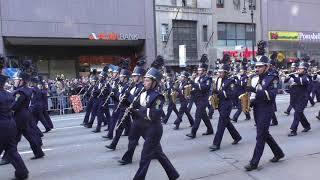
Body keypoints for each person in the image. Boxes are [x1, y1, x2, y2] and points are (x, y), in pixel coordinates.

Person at [131, 56, 179, 180]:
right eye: (144, 80)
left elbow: (154, 114)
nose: (144, 82)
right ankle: (173, 174)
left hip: (154, 129)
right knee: (159, 154)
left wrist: (138, 110)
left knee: (145, 156)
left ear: (154, 83)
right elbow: (137, 106)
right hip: (145, 127)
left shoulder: (158, 97)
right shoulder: (143, 93)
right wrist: (128, 105)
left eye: (147, 81)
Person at [245, 41, 284, 171]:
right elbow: (255, 95)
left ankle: (254, 162)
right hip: (257, 108)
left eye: (260, 67)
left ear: (266, 67)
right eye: (256, 67)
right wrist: (250, 102)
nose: (257, 69)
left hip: (267, 109)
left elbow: (271, 95)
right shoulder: (256, 77)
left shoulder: (273, 77)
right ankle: (278, 153)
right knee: (264, 134)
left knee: (260, 136)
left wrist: (255, 91)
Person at [0, 57, 29, 180]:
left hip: (1, 126)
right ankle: (22, 173)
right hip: (10, 125)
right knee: (12, 150)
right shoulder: (8, 94)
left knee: (11, 150)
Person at [209, 63, 242, 151]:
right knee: (226, 122)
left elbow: (232, 94)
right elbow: (215, 90)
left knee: (221, 124)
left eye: (221, 72)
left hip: (226, 104)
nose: (219, 74)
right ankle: (237, 137)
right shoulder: (218, 80)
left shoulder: (231, 81)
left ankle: (216, 144)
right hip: (220, 103)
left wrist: (220, 92)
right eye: (219, 72)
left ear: (226, 73)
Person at [186, 54, 214, 138]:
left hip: (203, 99)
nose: (198, 72)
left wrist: (193, 83)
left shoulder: (207, 79)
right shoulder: (198, 78)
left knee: (198, 115)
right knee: (204, 116)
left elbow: (203, 87)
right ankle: (210, 129)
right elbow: (195, 88)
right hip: (197, 99)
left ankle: (193, 132)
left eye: (200, 70)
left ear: (205, 71)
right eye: (198, 70)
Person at [287, 60, 311, 137]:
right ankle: (307, 126)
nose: (299, 70)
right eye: (299, 68)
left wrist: (294, 77)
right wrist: (288, 77)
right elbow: (286, 82)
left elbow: (302, 81)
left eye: (301, 69)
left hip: (302, 99)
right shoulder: (296, 76)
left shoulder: (307, 77)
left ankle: (293, 130)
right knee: (300, 114)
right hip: (294, 99)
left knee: (297, 114)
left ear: (305, 70)